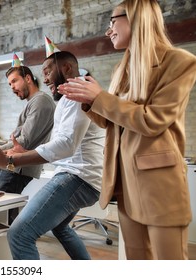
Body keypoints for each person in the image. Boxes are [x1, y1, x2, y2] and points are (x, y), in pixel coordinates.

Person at [58, 0, 196, 260]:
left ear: (135, 17)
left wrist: (100, 97)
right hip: (124, 182)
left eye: (112, 21)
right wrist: (89, 101)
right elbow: (113, 124)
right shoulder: (122, 69)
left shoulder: (180, 62)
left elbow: (152, 120)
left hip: (159, 184)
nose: (108, 30)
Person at [0, 49, 105, 260]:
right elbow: (57, 142)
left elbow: (64, 144)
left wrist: (9, 158)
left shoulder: (77, 93)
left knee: (19, 233)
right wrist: (5, 152)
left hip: (77, 177)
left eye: (48, 71)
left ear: (66, 68)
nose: (45, 78)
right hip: (79, 175)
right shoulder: (68, 97)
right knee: (60, 228)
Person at [0, 53, 56, 196]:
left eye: (14, 81)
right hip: (14, 165)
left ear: (28, 78)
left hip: (19, 166)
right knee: (2, 210)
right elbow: (16, 139)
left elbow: (24, 141)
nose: (12, 87)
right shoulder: (33, 102)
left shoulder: (41, 101)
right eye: (9, 84)